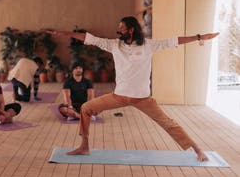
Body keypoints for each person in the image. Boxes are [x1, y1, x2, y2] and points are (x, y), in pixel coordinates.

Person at [49, 16, 219, 161]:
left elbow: (174, 40)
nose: (118, 31)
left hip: (143, 98)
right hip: (119, 96)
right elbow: (90, 38)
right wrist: (66, 33)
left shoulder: (149, 45)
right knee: (86, 108)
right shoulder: (114, 45)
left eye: (121, 28)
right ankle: (84, 146)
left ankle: (198, 150)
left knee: (168, 123)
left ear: (131, 30)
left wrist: (199, 37)